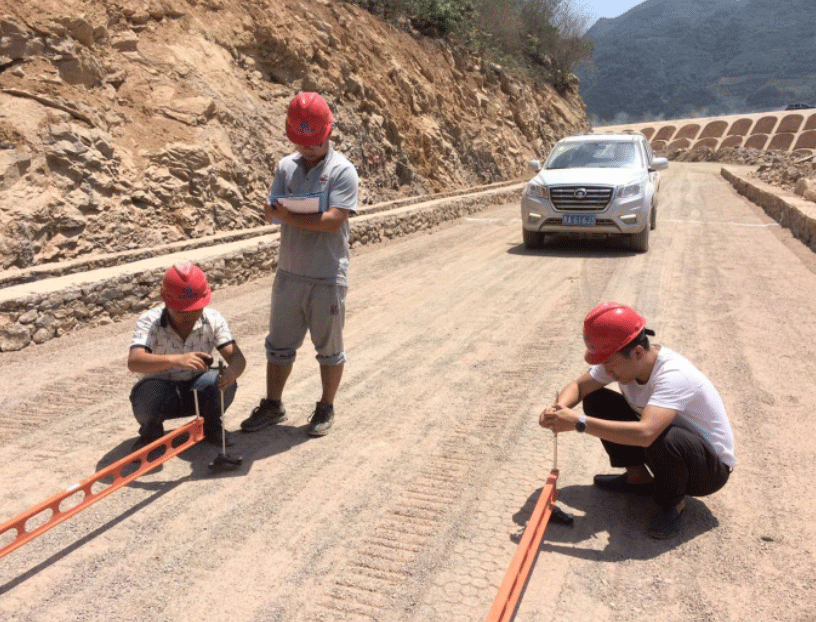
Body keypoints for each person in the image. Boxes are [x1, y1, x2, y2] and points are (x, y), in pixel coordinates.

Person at [539, 302, 736, 539]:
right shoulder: (622, 360)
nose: (606, 371)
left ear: (638, 352)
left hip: (706, 470)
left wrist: (578, 422)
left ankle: (673, 504)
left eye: (609, 364)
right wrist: (559, 408)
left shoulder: (674, 375)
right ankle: (638, 478)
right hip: (667, 444)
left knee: (661, 437)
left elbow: (646, 433)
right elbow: (579, 387)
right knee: (596, 399)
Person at [241, 92, 358, 437]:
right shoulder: (285, 167)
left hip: (326, 276)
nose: (308, 149)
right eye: (302, 142)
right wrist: (275, 212)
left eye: (315, 142)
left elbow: (332, 221)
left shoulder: (342, 171)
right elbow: (272, 210)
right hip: (289, 273)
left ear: (329, 133)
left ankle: (325, 406)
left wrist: (289, 215)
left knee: (329, 349)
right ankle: (273, 405)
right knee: (278, 344)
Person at [128, 263, 246, 450]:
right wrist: (176, 360)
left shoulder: (213, 319)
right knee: (147, 393)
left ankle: (212, 426)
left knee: (217, 381)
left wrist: (232, 372)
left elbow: (237, 358)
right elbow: (134, 361)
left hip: (198, 391)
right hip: (162, 392)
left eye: (196, 309)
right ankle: (151, 436)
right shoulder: (150, 321)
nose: (189, 315)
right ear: (166, 301)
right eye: (182, 310)